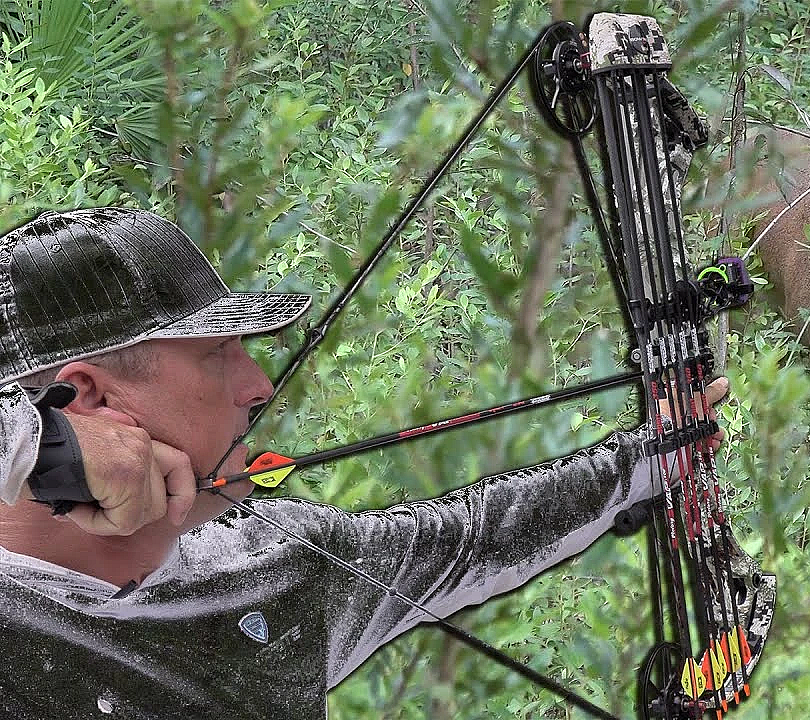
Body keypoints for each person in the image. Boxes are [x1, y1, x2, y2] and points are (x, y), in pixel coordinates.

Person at [0, 207, 730, 718]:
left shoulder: (277, 564)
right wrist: (46, 449)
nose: (258, 388)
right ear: (88, 398)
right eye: (219, 355)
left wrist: (654, 451)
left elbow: (475, 535)